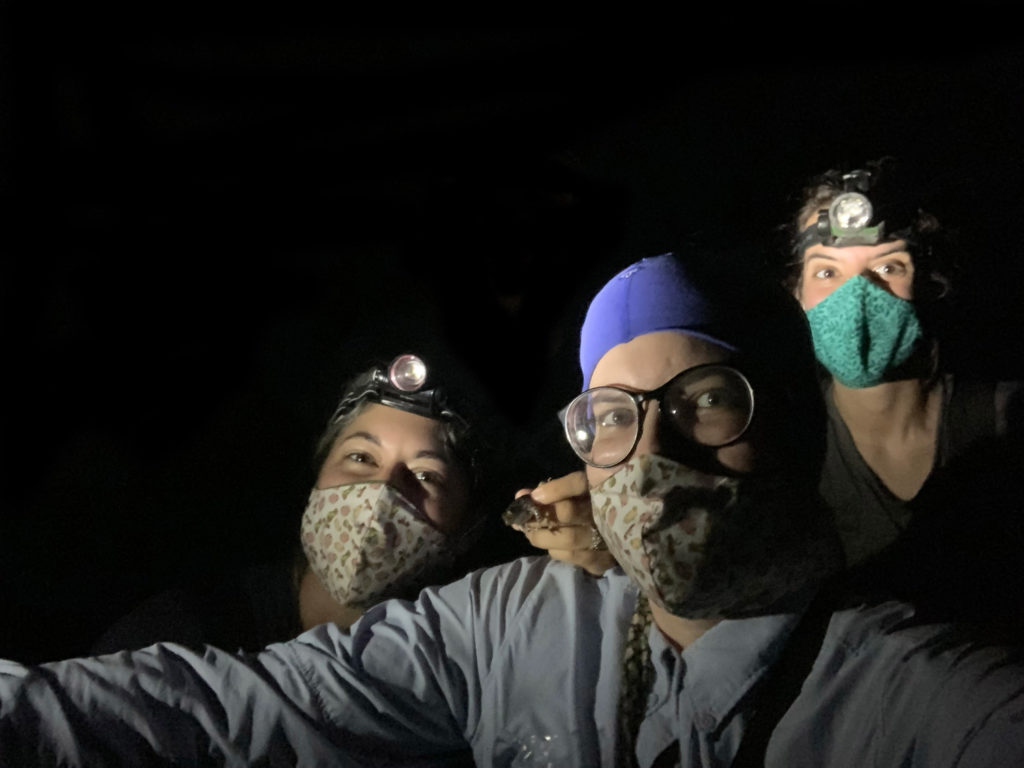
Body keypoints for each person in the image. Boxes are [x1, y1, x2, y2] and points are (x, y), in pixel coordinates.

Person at [4, 252, 1024, 767]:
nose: (653, 450)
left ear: (792, 427)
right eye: (614, 416)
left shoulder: (922, 704)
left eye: (705, 401)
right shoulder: (505, 630)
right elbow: (218, 714)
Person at [91, 353, 496, 653]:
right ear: (317, 477)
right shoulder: (180, 634)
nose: (381, 492)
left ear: (465, 530)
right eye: (361, 458)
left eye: (425, 476)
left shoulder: (463, 663)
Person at [786, 160, 1024, 628]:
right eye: (827, 273)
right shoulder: (783, 452)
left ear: (929, 285)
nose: (858, 297)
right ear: (795, 293)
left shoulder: (1008, 423)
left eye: (889, 266)